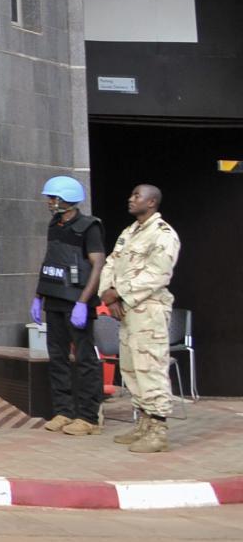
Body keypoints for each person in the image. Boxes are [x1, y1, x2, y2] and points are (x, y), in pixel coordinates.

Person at [99, 184, 181, 454]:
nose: (130, 198)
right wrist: (107, 296)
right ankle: (144, 423)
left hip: (149, 311)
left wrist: (120, 294)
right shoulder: (129, 232)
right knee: (132, 368)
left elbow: (158, 275)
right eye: (132, 194)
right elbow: (111, 262)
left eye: (137, 196)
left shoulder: (163, 235)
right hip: (128, 311)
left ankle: (158, 430)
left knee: (150, 368)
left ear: (152, 202)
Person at [34, 175, 106, 436]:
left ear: (67, 199)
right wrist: (38, 296)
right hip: (53, 299)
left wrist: (83, 302)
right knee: (58, 358)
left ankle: (88, 416)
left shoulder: (89, 227)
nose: (49, 202)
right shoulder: (55, 224)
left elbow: (98, 264)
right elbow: (50, 261)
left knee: (85, 359)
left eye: (53, 198)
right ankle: (63, 411)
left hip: (77, 302)